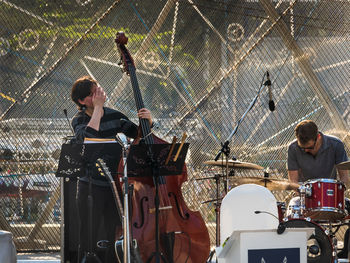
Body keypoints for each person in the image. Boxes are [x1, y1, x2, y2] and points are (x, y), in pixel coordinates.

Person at [70, 75, 153, 263]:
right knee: (88, 233)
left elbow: (139, 135)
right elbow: (88, 140)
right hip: (90, 185)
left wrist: (148, 121)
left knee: (115, 232)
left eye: (99, 89)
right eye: (93, 94)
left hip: (115, 185)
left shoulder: (116, 115)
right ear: (82, 101)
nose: (100, 94)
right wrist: (98, 108)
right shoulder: (79, 120)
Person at [287, 119, 349, 258]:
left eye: (309, 147)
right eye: (303, 149)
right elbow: (293, 182)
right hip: (304, 199)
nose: (306, 151)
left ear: (318, 137)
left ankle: (344, 255)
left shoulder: (336, 144)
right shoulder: (293, 148)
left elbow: (345, 178)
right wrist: (305, 194)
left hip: (331, 197)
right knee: (292, 210)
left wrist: (337, 193)